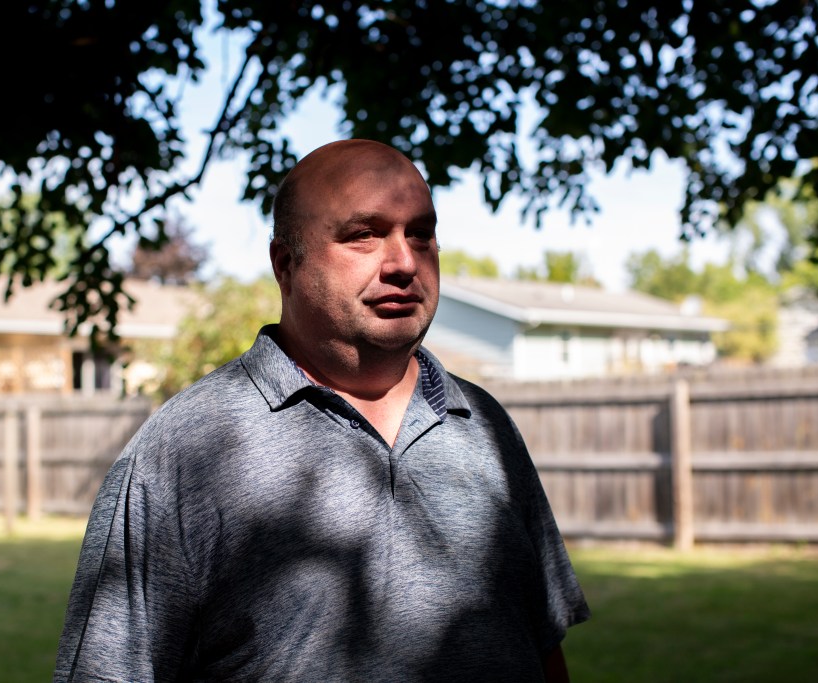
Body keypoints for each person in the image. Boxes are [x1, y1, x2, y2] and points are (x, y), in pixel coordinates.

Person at [53, 139, 590, 682]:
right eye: (364, 235)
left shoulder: (485, 425)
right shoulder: (185, 451)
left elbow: (543, 644)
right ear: (285, 263)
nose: (404, 262)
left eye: (421, 233)